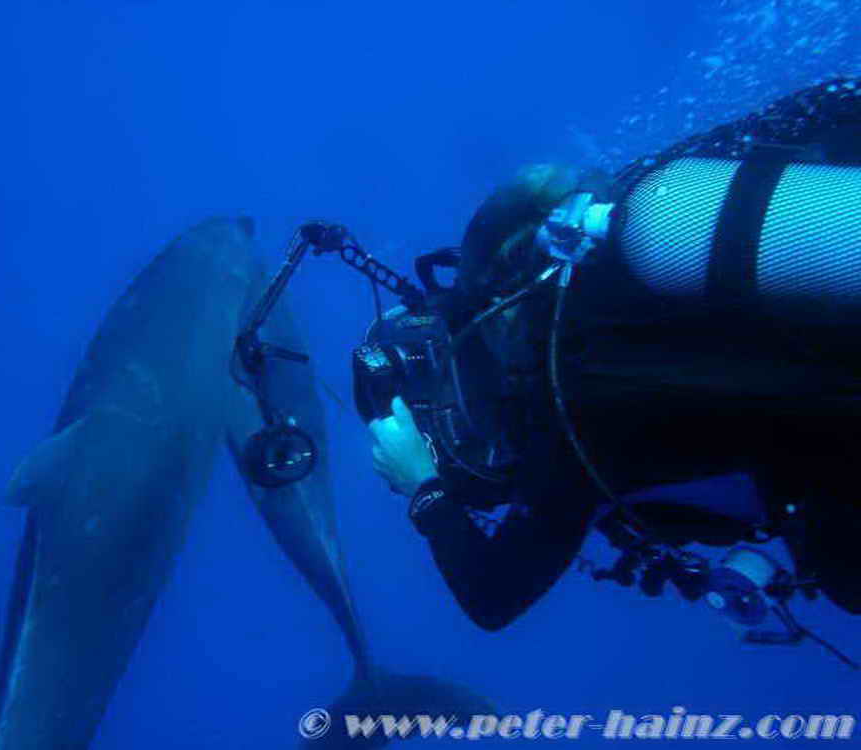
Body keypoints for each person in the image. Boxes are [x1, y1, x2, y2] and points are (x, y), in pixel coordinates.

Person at [365, 78, 861, 635]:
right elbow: (818, 109)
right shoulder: (641, 210)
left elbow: (492, 595)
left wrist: (423, 486)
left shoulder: (560, 410)